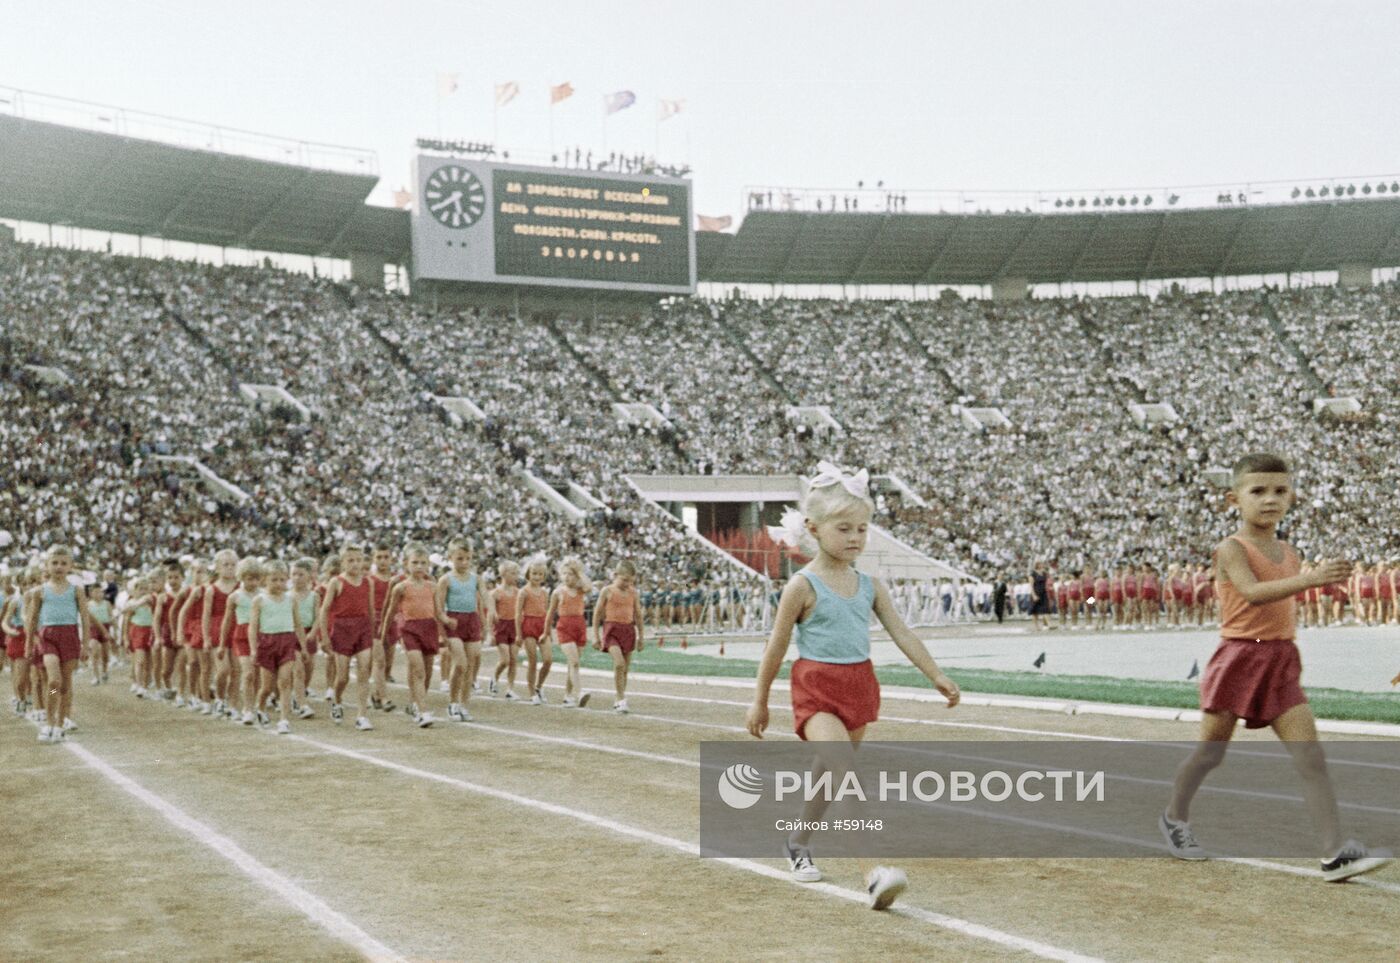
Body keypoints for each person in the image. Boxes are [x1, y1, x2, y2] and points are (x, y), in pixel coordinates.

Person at [1160, 453, 1391, 882]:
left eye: (1280, 491)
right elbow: (1251, 593)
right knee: (1210, 754)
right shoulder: (1230, 548)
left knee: (1312, 757)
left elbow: (1282, 594)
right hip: (1238, 657)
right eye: (1258, 491)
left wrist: (1311, 578)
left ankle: (1333, 852)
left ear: (1293, 497)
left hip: (1280, 659)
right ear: (1234, 499)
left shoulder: (1290, 551)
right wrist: (1312, 579)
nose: (1270, 499)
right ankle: (1175, 817)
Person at [747, 462, 960, 909]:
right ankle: (874, 871)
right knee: (846, 775)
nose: (855, 538)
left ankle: (798, 842)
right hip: (816, 688)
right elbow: (776, 646)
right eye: (844, 528)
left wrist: (935, 674)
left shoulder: (870, 585)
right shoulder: (801, 587)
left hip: (859, 685)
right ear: (814, 528)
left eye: (862, 529)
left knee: (828, 779)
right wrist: (760, 700)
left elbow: (902, 632)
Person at [25, 545, 89, 744]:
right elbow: (32, 618)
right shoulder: (40, 591)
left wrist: (85, 643)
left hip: (69, 636)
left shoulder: (76, 590)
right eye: (54, 563)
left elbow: (85, 618)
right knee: (54, 682)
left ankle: (60, 723)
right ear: (47, 565)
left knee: (65, 684)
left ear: (70, 566)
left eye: (63, 563)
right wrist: (28, 643)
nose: (59, 567)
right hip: (48, 637)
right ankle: (49, 721)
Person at [379, 542, 445, 728]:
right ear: (406, 564)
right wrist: (384, 634)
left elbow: (438, 612)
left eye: (423, 563)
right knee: (417, 669)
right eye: (415, 562)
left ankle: (416, 702)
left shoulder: (432, 586)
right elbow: (390, 612)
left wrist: (445, 629)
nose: (419, 567)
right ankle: (423, 711)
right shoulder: (400, 587)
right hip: (409, 628)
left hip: (429, 627)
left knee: (428, 669)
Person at [320, 543, 376, 730]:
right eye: (351, 560)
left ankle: (362, 715)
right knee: (342, 675)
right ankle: (337, 699)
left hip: (362, 627)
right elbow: (325, 609)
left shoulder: (368, 582)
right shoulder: (336, 582)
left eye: (358, 560)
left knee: (364, 671)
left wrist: (373, 632)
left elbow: (370, 609)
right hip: (342, 628)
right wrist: (325, 637)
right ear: (343, 562)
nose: (355, 564)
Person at [249, 560, 304, 735]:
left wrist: (302, 645)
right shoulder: (260, 600)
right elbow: (253, 626)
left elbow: (298, 624)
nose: (279, 584)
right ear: (265, 580)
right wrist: (253, 649)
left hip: (287, 641)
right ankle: (260, 707)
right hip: (267, 642)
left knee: (285, 682)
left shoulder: (291, 599)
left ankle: (284, 720)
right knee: (267, 686)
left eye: (282, 580)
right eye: (274, 580)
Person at [437, 538, 486, 722]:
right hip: (454, 621)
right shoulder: (446, 580)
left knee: (471, 666)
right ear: (450, 558)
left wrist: (491, 613)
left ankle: (465, 704)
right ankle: (452, 702)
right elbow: (439, 607)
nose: (464, 563)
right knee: (460, 664)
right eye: (459, 559)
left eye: (467, 558)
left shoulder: (476, 579)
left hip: (471, 621)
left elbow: (485, 596)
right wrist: (445, 619)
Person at [592, 559, 644, 714]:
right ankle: (621, 698)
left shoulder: (633, 592)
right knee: (619, 663)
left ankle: (618, 698)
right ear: (615, 575)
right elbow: (597, 614)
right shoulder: (607, 591)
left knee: (625, 668)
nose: (627, 583)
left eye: (630, 581)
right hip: (612, 629)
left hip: (627, 630)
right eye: (624, 580)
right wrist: (595, 636)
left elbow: (638, 615)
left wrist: (641, 637)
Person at [544, 556, 592, 708]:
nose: (567, 577)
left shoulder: (580, 589)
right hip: (564, 627)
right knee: (575, 662)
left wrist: (579, 572)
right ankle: (580, 692)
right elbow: (550, 613)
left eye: (570, 574)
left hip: (579, 625)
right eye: (564, 574)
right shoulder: (558, 592)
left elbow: (589, 587)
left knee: (572, 664)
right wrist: (546, 633)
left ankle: (567, 695)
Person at [517, 558, 552, 704]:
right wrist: (519, 634)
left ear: (544, 576)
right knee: (532, 661)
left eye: (540, 574)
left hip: (542, 625)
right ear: (528, 574)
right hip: (528, 625)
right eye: (534, 573)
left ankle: (539, 686)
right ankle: (532, 692)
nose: (536, 577)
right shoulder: (524, 592)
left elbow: (547, 611)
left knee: (548, 660)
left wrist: (548, 630)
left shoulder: (544, 592)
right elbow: (518, 614)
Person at [490, 561, 522, 700]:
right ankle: (494, 678)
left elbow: (521, 611)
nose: (516, 576)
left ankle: (510, 689)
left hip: (514, 626)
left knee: (514, 659)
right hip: (501, 626)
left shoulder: (518, 592)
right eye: (513, 573)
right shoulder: (495, 593)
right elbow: (491, 613)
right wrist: (491, 633)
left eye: (516, 573)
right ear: (503, 574)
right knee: (505, 660)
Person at [85, 583, 113, 686]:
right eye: (96, 592)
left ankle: (105, 670)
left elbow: (111, 617)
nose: (99, 594)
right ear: (91, 593)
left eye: (101, 592)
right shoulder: (88, 604)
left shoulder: (107, 604)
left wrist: (115, 630)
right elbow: (86, 620)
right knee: (94, 652)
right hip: (93, 629)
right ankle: (95, 676)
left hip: (105, 627)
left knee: (105, 654)